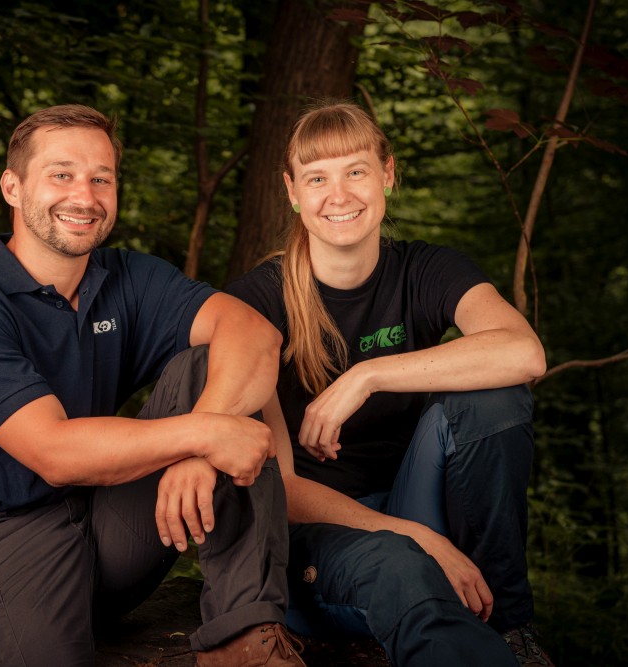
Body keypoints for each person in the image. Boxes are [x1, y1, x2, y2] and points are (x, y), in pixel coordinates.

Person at [0, 104, 306, 667]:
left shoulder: (126, 277)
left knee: (207, 367)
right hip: (0, 542)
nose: (85, 195)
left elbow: (255, 332)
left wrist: (202, 441)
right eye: (62, 174)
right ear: (13, 188)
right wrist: (203, 433)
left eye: (102, 178)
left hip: (111, 523)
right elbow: (54, 452)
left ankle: (244, 640)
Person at [225, 100, 555, 667]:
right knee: (400, 566)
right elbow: (279, 488)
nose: (340, 194)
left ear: (387, 175)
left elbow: (524, 352)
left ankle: (509, 626)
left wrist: (368, 375)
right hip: (322, 539)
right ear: (291, 191)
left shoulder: (427, 269)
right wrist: (414, 538)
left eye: (356, 171)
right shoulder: (256, 302)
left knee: (495, 397)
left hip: (415, 500)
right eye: (317, 178)